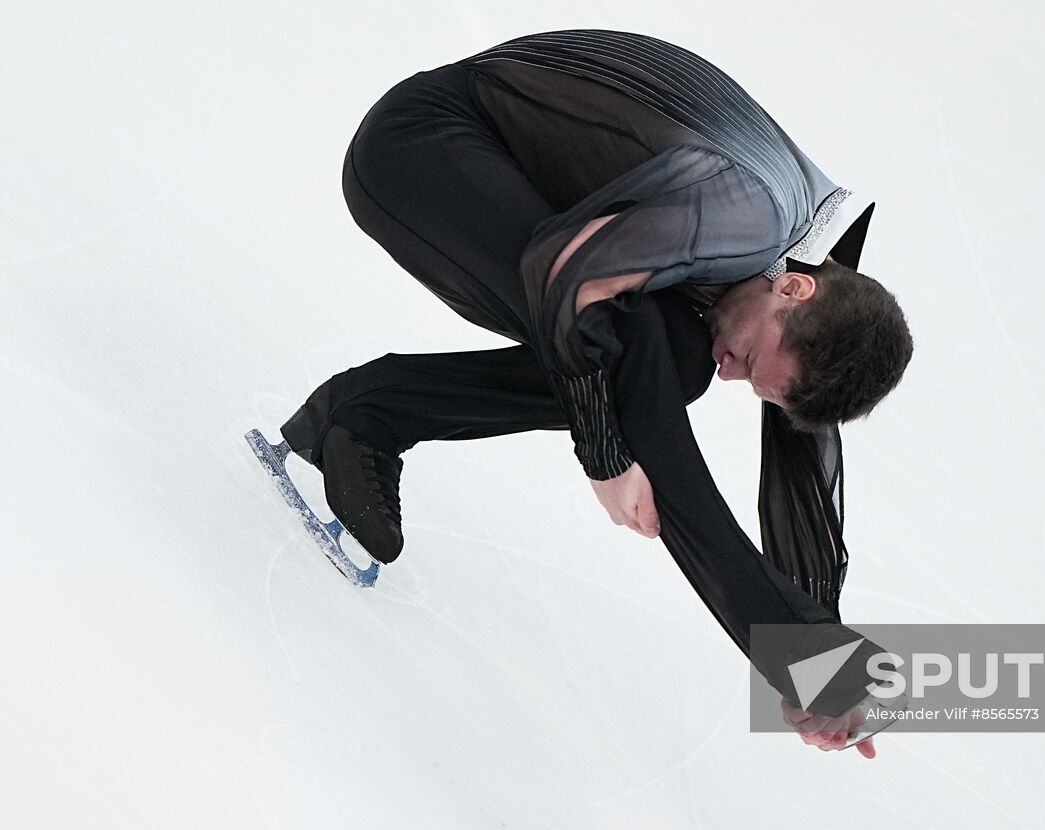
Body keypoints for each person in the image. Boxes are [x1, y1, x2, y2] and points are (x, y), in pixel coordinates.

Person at [278, 29, 913, 757]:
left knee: (676, 360)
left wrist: (819, 651)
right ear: (795, 291)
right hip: (421, 149)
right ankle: (369, 411)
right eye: (754, 362)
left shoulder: (812, 273)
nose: (738, 375)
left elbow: (801, 463)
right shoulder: (754, 217)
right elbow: (565, 274)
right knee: (634, 347)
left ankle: (367, 414)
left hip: (528, 187)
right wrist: (604, 452)